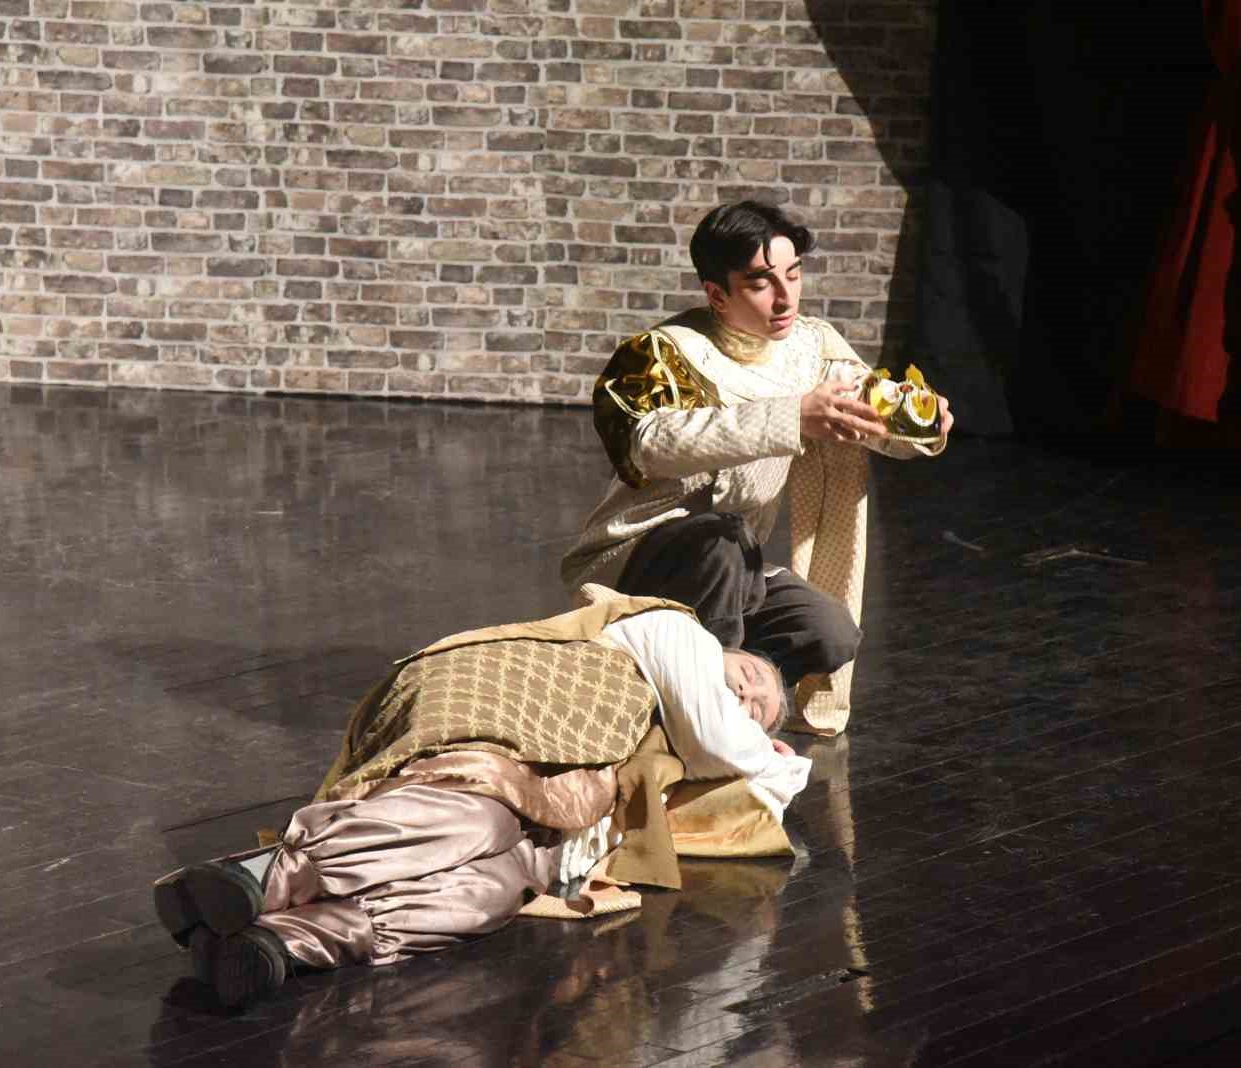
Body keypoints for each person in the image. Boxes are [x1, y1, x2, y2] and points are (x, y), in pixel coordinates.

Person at [153, 588, 811, 1008]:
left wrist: (760, 760)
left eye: (759, 709)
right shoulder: (676, 632)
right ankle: (267, 876)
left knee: (491, 894)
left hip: (559, 815)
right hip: (521, 726)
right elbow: (717, 734)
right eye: (750, 676)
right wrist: (772, 755)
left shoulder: (688, 748)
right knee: (478, 819)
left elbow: (751, 804)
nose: (746, 695)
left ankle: (282, 942)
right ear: (729, 652)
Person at [561, 200, 954, 735]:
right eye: (761, 283)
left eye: (793, 274)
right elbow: (646, 445)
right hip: (637, 561)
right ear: (717, 294)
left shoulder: (811, 347)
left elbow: (874, 420)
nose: (785, 297)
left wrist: (920, 423)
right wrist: (793, 415)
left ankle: (728, 684)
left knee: (831, 632)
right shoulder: (663, 351)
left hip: (735, 566)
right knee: (722, 538)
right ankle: (713, 723)